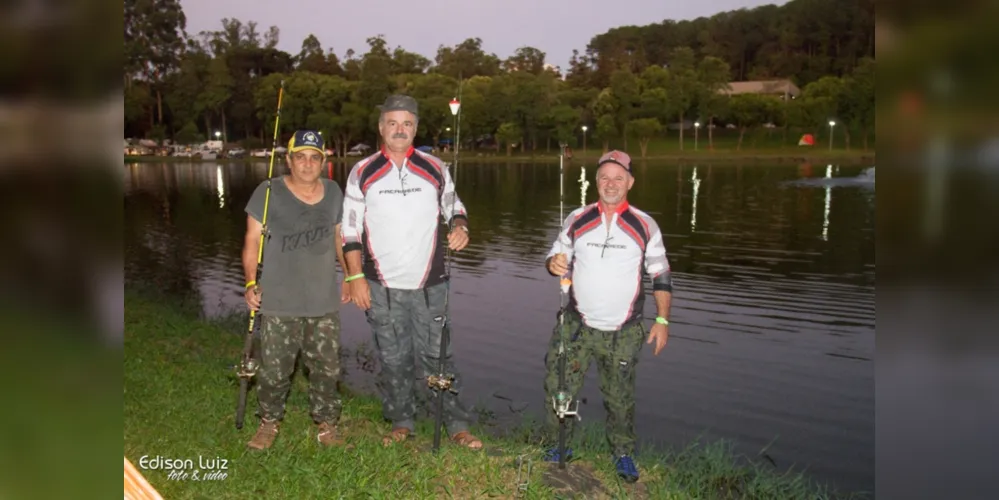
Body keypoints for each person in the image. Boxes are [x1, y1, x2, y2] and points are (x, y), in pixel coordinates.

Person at [340, 94, 483, 449]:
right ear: (381, 128)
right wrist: (355, 277)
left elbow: (454, 205)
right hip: (381, 286)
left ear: (416, 128)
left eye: (406, 123)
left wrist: (461, 226)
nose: (399, 129)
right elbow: (349, 229)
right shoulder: (362, 172)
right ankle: (401, 421)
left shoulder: (435, 167)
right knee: (393, 357)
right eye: (392, 123)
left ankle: (456, 424)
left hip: (430, 285)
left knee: (440, 356)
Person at [542, 150, 673, 482]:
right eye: (604, 178)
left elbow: (661, 275)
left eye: (618, 178)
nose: (610, 183)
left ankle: (623, 453)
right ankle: (560, 445)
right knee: (559, 387)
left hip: (623, 332)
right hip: (576, 326)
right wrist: (552, 263)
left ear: (630, 181)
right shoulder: (577, 218)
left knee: (620, 399)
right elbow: (555, 256)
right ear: (595, 183)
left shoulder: (645, 225)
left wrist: (662, 321)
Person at [242, 129, 350, 450]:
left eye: (313, 158)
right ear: (288, 160)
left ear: (323, 162)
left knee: (327, 370)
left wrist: (350, 275)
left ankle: (327, 425)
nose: (306, 164)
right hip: (278, 300)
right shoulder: (268, 190)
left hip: (323, 300)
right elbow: (252, 240)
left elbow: (339, 238)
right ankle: (268, 423)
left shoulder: (333, 193)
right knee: (274, 371)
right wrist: (250, 282)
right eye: (299, 157)